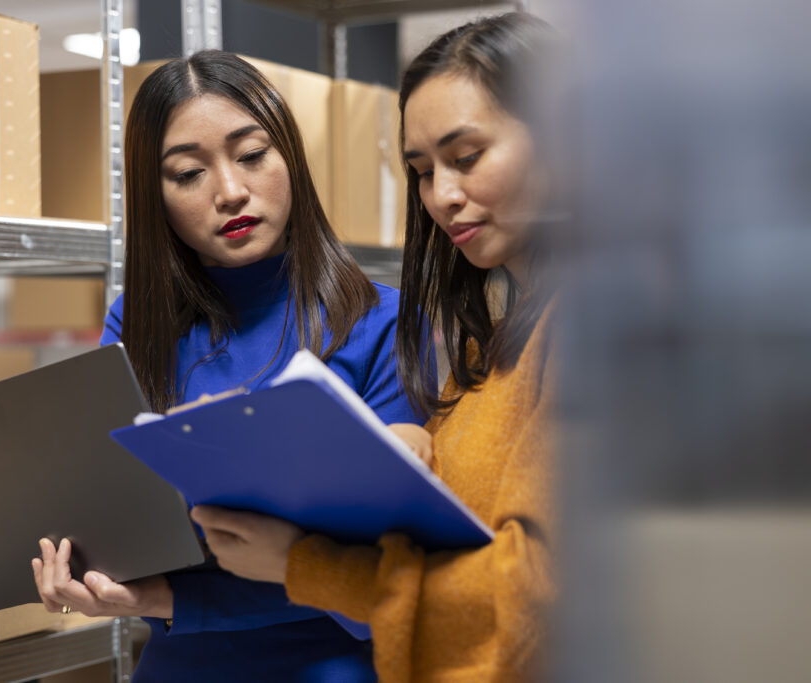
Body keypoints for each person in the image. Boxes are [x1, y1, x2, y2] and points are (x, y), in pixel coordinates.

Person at [31, 50, 426, 682]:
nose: (231, 191)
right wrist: (77, 564)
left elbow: (387, 584)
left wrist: (173, 600)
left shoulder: (384, 323)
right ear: (154, 197)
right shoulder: (135, 327)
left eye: (251, 155)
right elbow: (119, 527)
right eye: (188, 173)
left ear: (289, 157)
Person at [191, 13, 561, 682]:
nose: (442, 196)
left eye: (467, 157)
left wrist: (300, 564)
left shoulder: (600, 333)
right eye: (421, 171)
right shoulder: (494, 348)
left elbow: (530, 592)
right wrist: (418, 456)